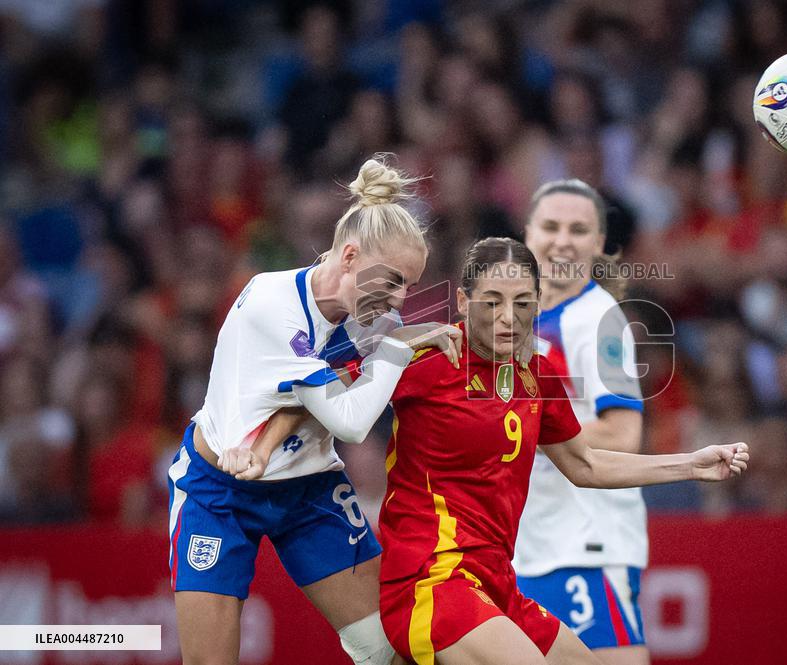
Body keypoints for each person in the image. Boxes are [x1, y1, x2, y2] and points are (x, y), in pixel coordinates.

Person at [375, 237, 748, 664]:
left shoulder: (538, 372)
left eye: (521, 303)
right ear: (462, 300)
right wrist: (399, 338)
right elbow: (324, 377)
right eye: (492, 301)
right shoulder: (428, 361)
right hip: (433, 582)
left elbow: (584, 464)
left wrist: (691, 464)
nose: (507, 318)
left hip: (498, 586)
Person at [168, 157, 462, 665]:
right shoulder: (272, 306)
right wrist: (397, 346)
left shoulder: (369, 315)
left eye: (409, 288)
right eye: (392, 281)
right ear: (349, 256)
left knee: (388, 649)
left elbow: (307, 396)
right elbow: (347, 418)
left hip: (307, 487)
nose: (398, 301)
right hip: (219, 493)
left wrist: (409, 336)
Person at [514, 179, 649, 663]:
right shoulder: (513, 322)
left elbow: (622, 433)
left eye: (578, 229)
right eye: (550, 226)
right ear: (527, 234)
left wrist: (514, 433)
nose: (562, 240)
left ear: (598, 244)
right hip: (528, 540)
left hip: (587, 540)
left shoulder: (600, 319)